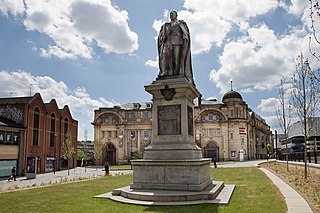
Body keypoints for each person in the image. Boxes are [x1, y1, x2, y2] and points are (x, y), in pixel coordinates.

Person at [158, 10, 193, 82]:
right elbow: (161, 35)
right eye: (170, 14)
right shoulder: (166, 25)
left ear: (176, 15)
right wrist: (162, 38)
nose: (171, 15)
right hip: (167, 42)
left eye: (172, 14)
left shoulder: (180, 23)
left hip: (177, 42)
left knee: (176, 59)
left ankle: (177, 74)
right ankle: (166, 72)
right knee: (165, 56)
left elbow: (185, 32)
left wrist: (185, 37)